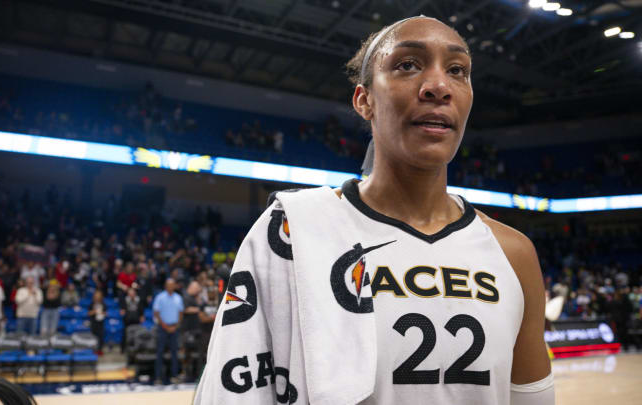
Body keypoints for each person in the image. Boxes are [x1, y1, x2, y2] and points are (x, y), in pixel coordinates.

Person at [193, 16, 553, 405]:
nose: (438, 86)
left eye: (457, 70)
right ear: (364, 100)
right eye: (408, 65)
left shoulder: (513, 254)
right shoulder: (292, 230)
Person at [153, 278, 184, 385]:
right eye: (168, 285)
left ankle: (174, 376)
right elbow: (156, 313)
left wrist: (176, 325)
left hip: (174, 327)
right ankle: (158, 377)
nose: (170, 286)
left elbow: (180, 312)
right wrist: (165, 325)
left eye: (172, 285)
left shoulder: (178, 298)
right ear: (165, 286)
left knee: (175, 353)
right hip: (162, 328)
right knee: (160, 352)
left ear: (174, 286)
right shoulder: (160, 297)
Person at [120, 287, 144, 352]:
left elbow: (141, 309)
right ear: (128, 293)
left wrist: (142, 316)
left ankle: (137, 348)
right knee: (125, 333)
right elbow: (122, 309)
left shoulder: (138, 299)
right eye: (130, 293)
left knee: (137, 334)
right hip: (128, 319)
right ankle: (123, 349)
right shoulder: (125, 300)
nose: (132, 294)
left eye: (133, 293)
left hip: (136, 319)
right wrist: (122, 311)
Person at [88, 290, 106, 354]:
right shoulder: (92, 304)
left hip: (101, 323)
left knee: (100, 337)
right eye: (96, 296)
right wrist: (94, 311)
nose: (97, 297)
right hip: (94, 323)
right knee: (94, 337)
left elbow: (106, 313)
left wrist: (102, 313)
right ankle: (93, 350)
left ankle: (100, 350)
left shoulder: (103, 304)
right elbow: (89, 313)